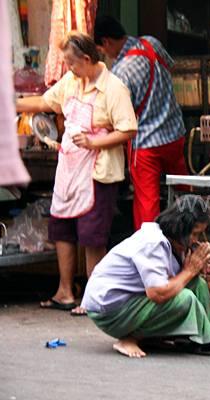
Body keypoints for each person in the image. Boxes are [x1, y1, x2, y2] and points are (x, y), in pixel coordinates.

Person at [16, 32, 137, 315]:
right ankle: (65, 291)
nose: (68, 69)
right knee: (62, 228)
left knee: (93, 234)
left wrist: (95, 142)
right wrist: (15, 103)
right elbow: (46, 102)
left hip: (98, 172)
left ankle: (93, 296)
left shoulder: (113, 88)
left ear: (86, 59)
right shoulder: (72, 81)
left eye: (71, 63)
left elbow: (128, 129)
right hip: (69, 169)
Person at [81, 195, 210, 358]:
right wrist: (189, 271)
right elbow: (158, 293)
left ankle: (204, 338)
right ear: (181, 228)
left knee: (198, 284)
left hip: (131, 301)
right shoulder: (153, 242)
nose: (196, 240)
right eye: (194, 234)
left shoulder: (173, 243)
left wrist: (193, 270)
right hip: (109, 309)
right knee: (185, 298)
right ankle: (130, 337)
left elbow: (176, 279)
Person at [94, 16, 189, 231]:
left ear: (107, 42)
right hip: (175, 134)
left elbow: (119, 115)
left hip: (146, 144)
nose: (104, 54)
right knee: (182, 193)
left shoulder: (120, 73)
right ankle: (190, 236)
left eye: (102, 49)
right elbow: (169, 69)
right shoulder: (151, 42)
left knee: (148, 203)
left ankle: (149, 251)